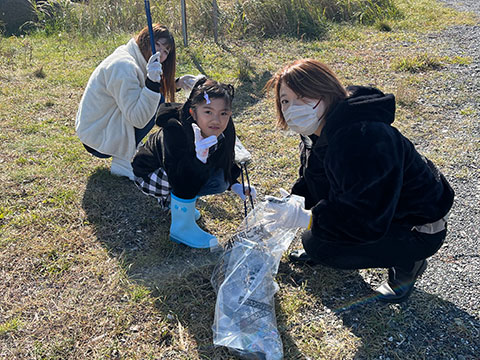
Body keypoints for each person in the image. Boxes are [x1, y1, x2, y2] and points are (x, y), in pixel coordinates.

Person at [264, 59, 454, 303]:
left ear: (327, 93)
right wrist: (291, 203)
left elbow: (366, 220)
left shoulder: (363, 137)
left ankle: (409, 262)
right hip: (383, 209)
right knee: (315, 240)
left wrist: (307, 218)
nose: (293, 108)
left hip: (417, 226)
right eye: (285, 101)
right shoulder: (320, 128)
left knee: (322, 247)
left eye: (304, 96)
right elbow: (315, 178)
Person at [131, 78, 257, 249]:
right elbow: (180, 177)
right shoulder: (175, 130)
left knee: (220, 181)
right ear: (193, 112)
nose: (216, 120)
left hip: (183, 171)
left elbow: (224, 158)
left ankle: (178, 205)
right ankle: (181, 228)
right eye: (208, 112)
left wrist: (235, 184)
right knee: (186, 179)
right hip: (151, 173)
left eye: (223, 113)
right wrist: (199, 158)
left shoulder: (224, 127)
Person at [76, 24, 183, 180]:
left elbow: (138, 88)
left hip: (100, 127)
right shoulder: (124, 66)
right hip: (97, 138)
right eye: (157, 44)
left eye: (166, 51)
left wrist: (176, 83)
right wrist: (153, 84)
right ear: (145, 39)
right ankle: (123, 160)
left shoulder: (132, 56)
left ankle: (127, 150)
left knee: (155, 97)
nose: (160, 53)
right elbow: (138, 119)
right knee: (157, 100)